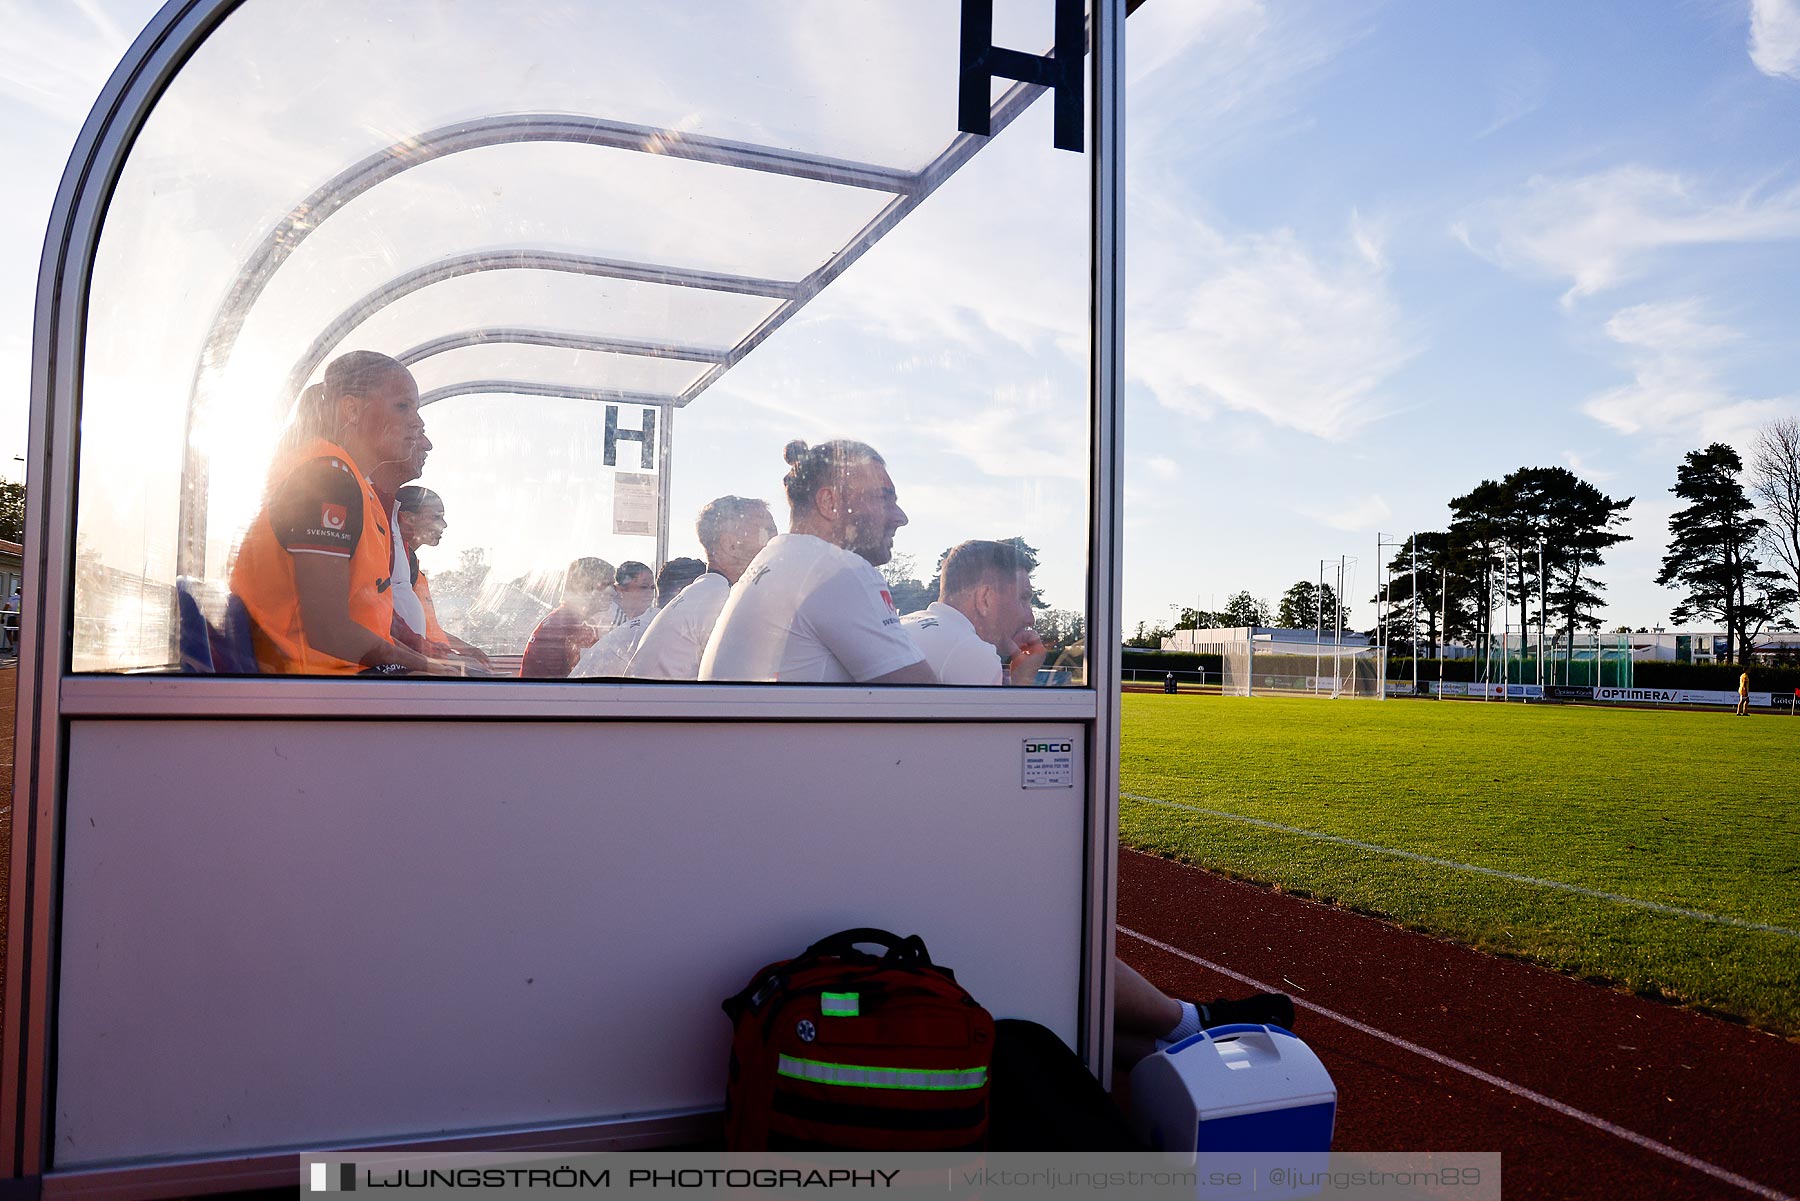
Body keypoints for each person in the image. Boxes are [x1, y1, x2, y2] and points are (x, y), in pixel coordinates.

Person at [230, 351, 446, 675]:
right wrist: (431, 667)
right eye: (403, 406)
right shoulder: (328, 481)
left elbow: (365, 626)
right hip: (315, 691)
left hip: (341, 682)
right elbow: (329, 632)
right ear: (352, 409)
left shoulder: (352, 483)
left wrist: (438, 664)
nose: (418, 422)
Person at [699, 440, 933, 684]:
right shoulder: (835, 570)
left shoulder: (777, 559)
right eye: (884, 499)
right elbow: (928, 703)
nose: (901, 517)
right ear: (829, 502)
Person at [628, 496, 777, 680]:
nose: (776, 542)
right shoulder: (724, 603)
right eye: (768, 532)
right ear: (730, 545)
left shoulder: (702, 595)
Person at [901, 539, 1047, 686]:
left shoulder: (903, 626)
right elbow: (1010, 709)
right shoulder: (969, 651)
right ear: (985, 599)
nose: (1031, 618)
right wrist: (1024, 680)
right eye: (1023, 598)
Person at [394, 486, 491, 670]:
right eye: (436, 517)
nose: (444, 525)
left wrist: (463, 647)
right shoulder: (399, 568)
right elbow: (400, 631)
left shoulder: (413, 567)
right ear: (408, 518)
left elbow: (428, 631)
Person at [572, 557, 706, 678]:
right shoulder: (660, 631)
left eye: (652, 588)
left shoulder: (648, 624)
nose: (649, 594)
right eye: (643, 587)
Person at [519, 557, 615, 678]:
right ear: (583, 587)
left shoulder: (575, 622)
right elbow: (574, 684)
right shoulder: (565, 627)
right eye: (605, 585)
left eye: (613, 585)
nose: (612, 592)